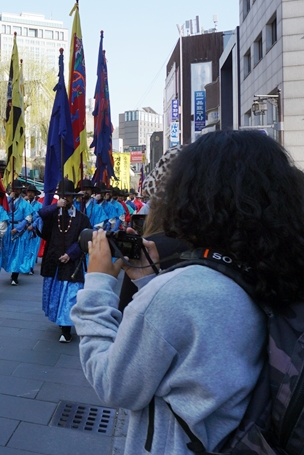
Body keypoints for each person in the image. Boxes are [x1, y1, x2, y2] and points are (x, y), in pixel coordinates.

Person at [71, 131, 304, 454]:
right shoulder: (256, 275)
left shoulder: (180, 293)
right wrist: (150, 281)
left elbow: (112, 384)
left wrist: (97, 287)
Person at [38, 179, 91, 343]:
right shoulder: (53, 213)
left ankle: (67, 329)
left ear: (73, 198)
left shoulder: (81, 218)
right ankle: (61, 322)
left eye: (68, 196)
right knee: (56, 293)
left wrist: (70, 254)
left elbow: (84, 239)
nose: (66, 199)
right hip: (54, 260)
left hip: (72, 262)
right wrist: (56, 206)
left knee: (70, 295)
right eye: (63, 196)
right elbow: (41, 214)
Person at [5, 180, 32, 285]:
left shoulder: (25, 204)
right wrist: (9, 198)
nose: (16, 191)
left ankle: (14, 275)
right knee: (8, 252)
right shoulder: (8, 201)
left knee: (18, 253)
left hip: (19, 230)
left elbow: (28, 218)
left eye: (18, 189)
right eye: (14, 189)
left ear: (21, 190)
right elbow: (2, 209)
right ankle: (10, 269)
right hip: (8, 228)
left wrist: (18, 228)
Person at [24, 184, 43, 273]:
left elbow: (39, 217)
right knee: (25, 248)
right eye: (29, 192)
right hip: (24, 229)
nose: (30, 194)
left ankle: (30, 267)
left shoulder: (39, 205)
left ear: (35, 194)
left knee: (33, 249)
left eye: (32, 192)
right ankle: (24, 266)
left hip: (35, 230)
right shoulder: (24, 203)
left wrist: (33, 225)